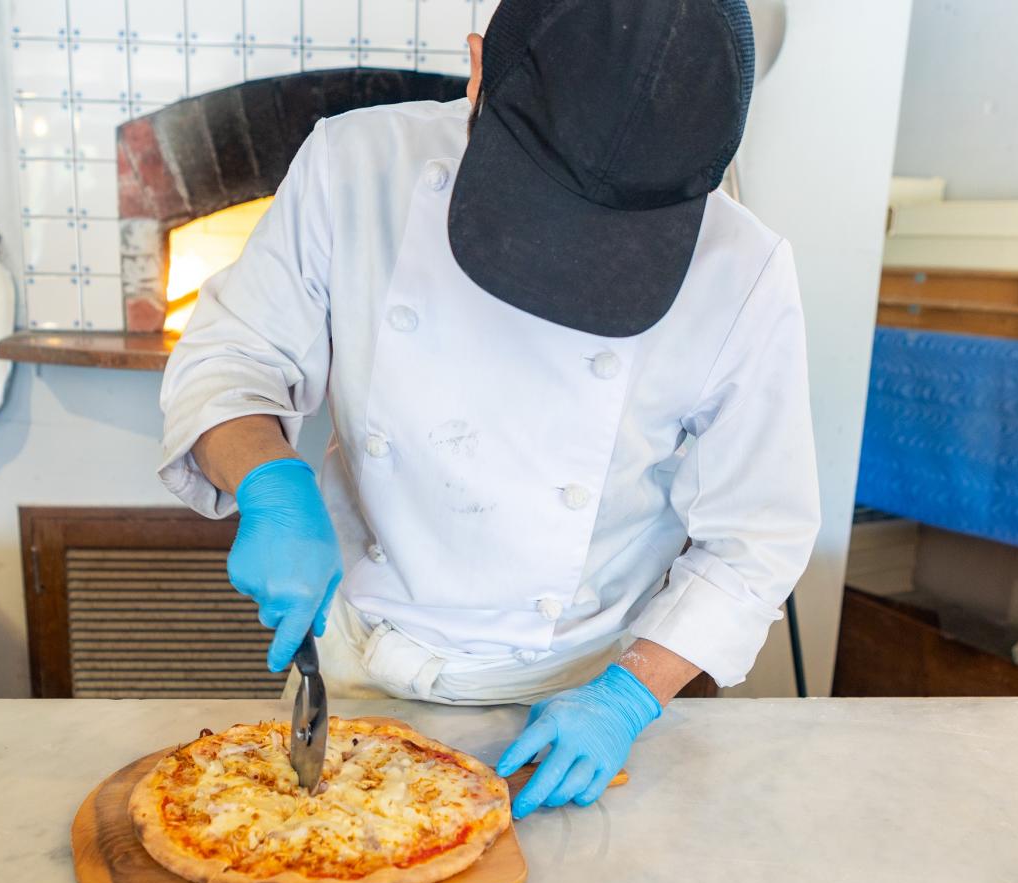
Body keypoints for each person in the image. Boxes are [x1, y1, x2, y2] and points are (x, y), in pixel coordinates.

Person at [158, 0, 820, 818]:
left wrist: (627, 697)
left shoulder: (742, 270)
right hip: (360, 659)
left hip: (573, 694)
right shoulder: (354, 166)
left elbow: (757, 536)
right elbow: (235, 354)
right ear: (477, 71)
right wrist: (265, 480)